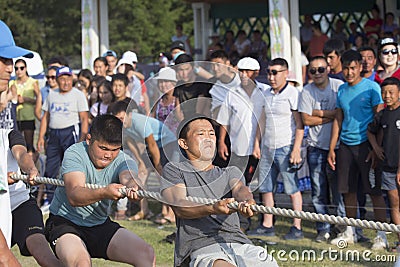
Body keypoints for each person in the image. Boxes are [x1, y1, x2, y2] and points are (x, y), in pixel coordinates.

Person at [160, 114, 278, 267]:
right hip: (201, 246)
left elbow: (240, 189)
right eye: (201, 134)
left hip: (239, 243)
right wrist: (213, 208)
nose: (208, 138)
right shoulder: (175, 170)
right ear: (183, 143)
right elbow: (180, 207)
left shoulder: (230, 172)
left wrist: (247, 201)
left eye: (211, 133)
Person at [44, 114, 155, 266]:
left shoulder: (124, 160)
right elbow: (74, 195)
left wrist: (134, 186)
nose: (108, 155)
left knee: (146, 254)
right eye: (103, 148)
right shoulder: (75, 153)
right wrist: (104, 192)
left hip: (99, 225)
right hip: (65, 223)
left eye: (114, 149)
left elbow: (128, 177)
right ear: (89, 139)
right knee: (81, 263)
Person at [327, 50, 388, 250]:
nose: (349, 72)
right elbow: (338, 118)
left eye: (353, 68)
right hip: (345, 146)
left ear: (360, 67)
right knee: (348, 192)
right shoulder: (342, 90)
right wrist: (332, 148)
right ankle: (350, 232)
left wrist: (375, 147)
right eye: (346, 68)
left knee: (375, 192)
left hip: (367, 147)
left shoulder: (372, 88)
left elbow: (379, 120)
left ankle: (381, 235)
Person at [249, 58, 304, 240]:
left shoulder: (293, 93)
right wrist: (257, 143)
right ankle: (267, 224)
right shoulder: (266, 93)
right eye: (269, 72)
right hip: (267, 147)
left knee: (292, 188)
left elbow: (299, 124)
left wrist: (296, 149)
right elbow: (261, 120)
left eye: (275, 72)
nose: (271, 77)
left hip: (285, 146)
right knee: (266, 188)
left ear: (286, 73)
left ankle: (297, 226)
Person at [298, 56, 344, 242]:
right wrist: (332, 115)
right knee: (318, 191)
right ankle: (323, 228)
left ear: (328, 69)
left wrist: (316, 113)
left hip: (338, 147)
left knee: (339, 190)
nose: (317, 73)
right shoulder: (306, 91)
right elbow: (306, 120)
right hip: (315, 147)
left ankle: (341, 228)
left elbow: (343, 114)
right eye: (313, 70)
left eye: (321, 69)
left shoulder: (339, 86)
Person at [110, 101, 180, 221]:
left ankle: (171, 214)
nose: (120, 121)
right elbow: (129, 142)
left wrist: (157, 165)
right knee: (141, 175)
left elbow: (152, 144)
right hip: (152, 147)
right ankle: (144, 211)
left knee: (165, 177)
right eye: (117, 119)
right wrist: (140, 161)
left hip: (167, 143)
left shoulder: (139, 122)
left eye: (122, 118)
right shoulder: (122, 125)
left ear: (129, 114)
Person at [0, 19, 33, 266]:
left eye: (10, 62)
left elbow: (13, 136)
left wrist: (25, 161)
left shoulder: (7, 99)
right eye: (3, 60)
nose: (9, 68)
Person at [37, 66, 89, 204]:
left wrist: (81, 139)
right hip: (53, 134)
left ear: (72, 79)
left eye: (68, 79)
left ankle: (70, 197)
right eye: (62, 79)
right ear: (57, 80)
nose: (65, 82)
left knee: (70, 166)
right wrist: (41, 137)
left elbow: (84, 118)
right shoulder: (52, 94)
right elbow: (45, 117)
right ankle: (50, 198)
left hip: (70, 132)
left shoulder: (78, 95)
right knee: (51, 167)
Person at [8, 141, 61, 266]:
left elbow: (21, 154)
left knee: (45, 256)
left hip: (20, 203)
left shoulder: (8, 134)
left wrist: (31, 169)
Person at [368, 77, 400, 250]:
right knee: (394, 204)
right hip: (388, 168)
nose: (387, 96)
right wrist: (375, 148)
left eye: (391, 92)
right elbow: (370, 131)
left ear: (399, 94)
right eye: (384, 93)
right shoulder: (382, 114)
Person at [9, 59, 41, 149]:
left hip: (28, 116)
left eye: (21, 68)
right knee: (16, 145)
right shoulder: (12, 83)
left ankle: (33, 161)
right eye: (16, 68)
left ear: (26, 69)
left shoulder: (33, 82)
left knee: (29, 144)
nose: (19, 71)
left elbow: (39, 100)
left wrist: (28, 100)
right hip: (16, 117)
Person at [173, 54, 212, 120]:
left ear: (193, 68)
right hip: (185, 121)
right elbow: (177, 110)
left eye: (187, 69)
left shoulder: (201, 84)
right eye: (181, 70)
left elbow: (199, 111)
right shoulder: (179, 85)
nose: (184, 73)